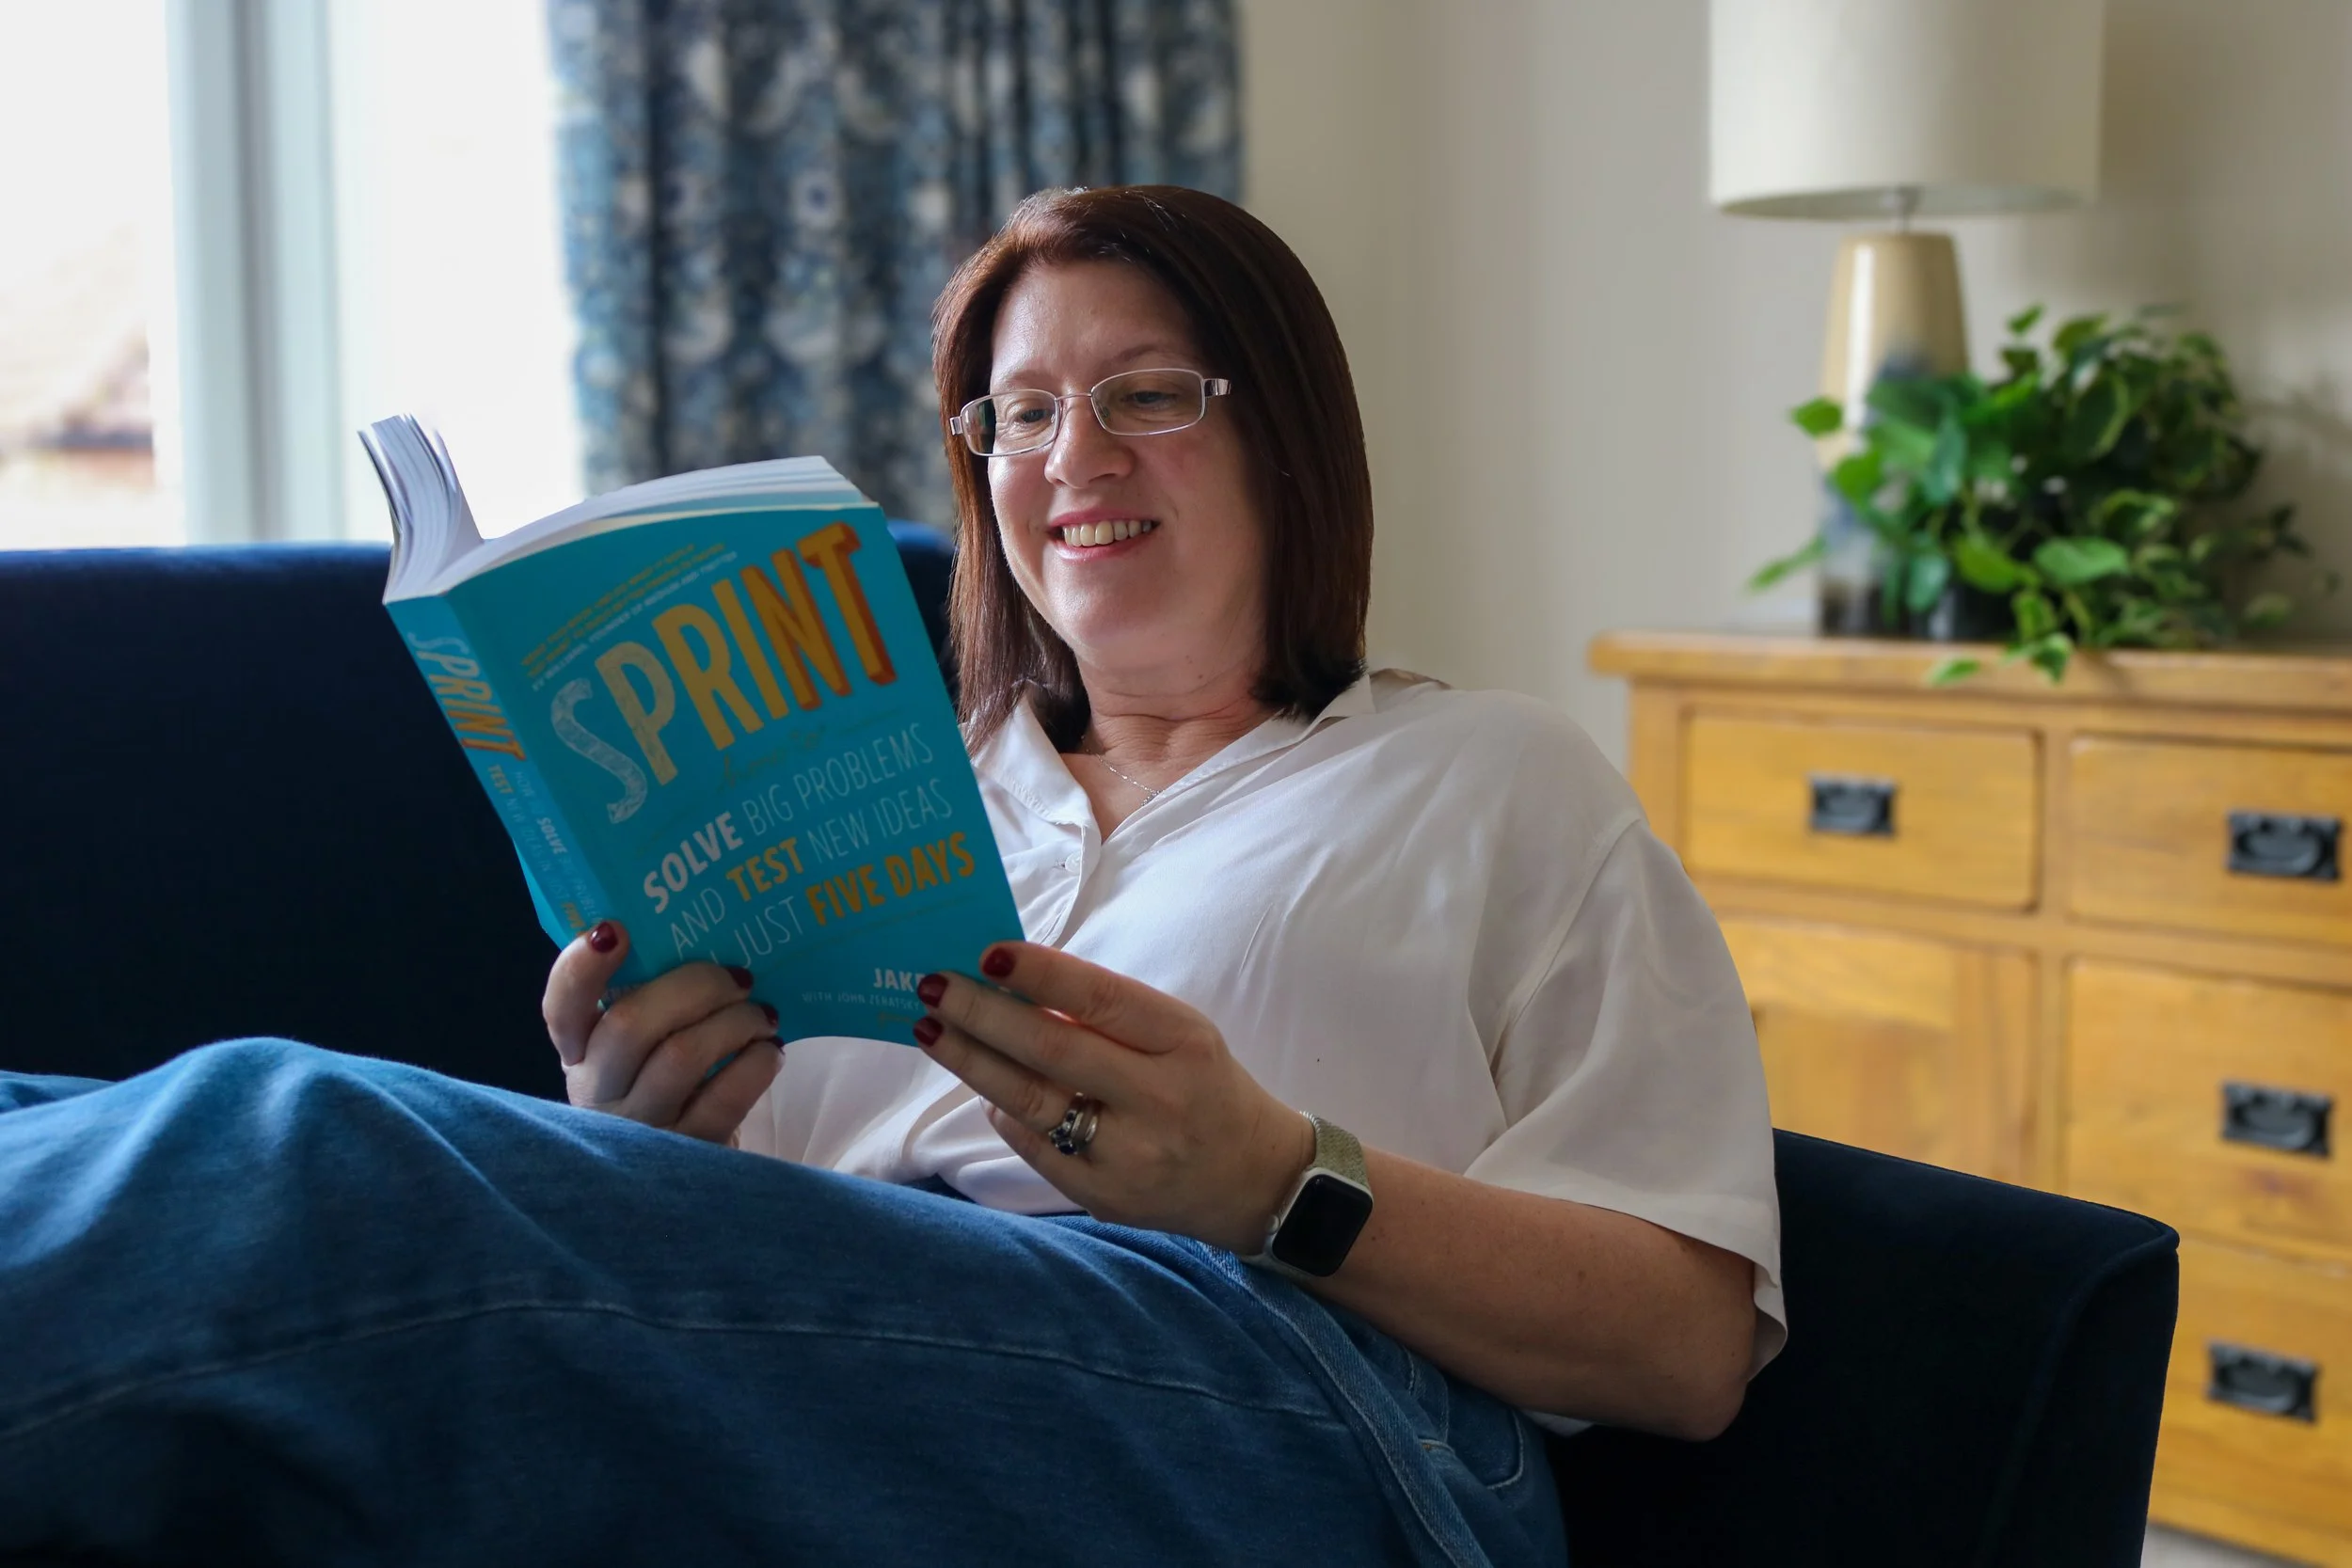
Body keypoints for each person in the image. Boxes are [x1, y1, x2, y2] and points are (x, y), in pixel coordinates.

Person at [0, 186, 1778, 1567]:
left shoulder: (1481, 777)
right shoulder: (908, 790)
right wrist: (633, 1130)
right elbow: (737, 1294)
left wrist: (1272, 1180)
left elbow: (1689, 1340)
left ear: (1287, 437)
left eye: (1147, 395)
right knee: (66, 1119)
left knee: (300, 1149)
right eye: (1018, 416)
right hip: (861, 1348)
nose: (1074, 456)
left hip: (1298, 1399)